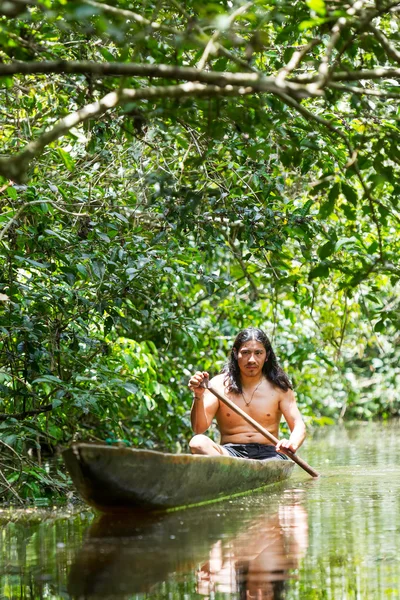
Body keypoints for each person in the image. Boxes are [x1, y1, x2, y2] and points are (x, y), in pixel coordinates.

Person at [188, 327, 306, 460]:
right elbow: (198, 428)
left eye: (258, 353)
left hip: (270, 454)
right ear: (235, 353)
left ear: (266, 356)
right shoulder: (217, 385)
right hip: (231, 453)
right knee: (197, 442)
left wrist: (292, 443)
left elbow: (298, 425)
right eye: (245, 352)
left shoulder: (279, 387)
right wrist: (198, 396)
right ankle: (230, 471)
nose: (251, 360)